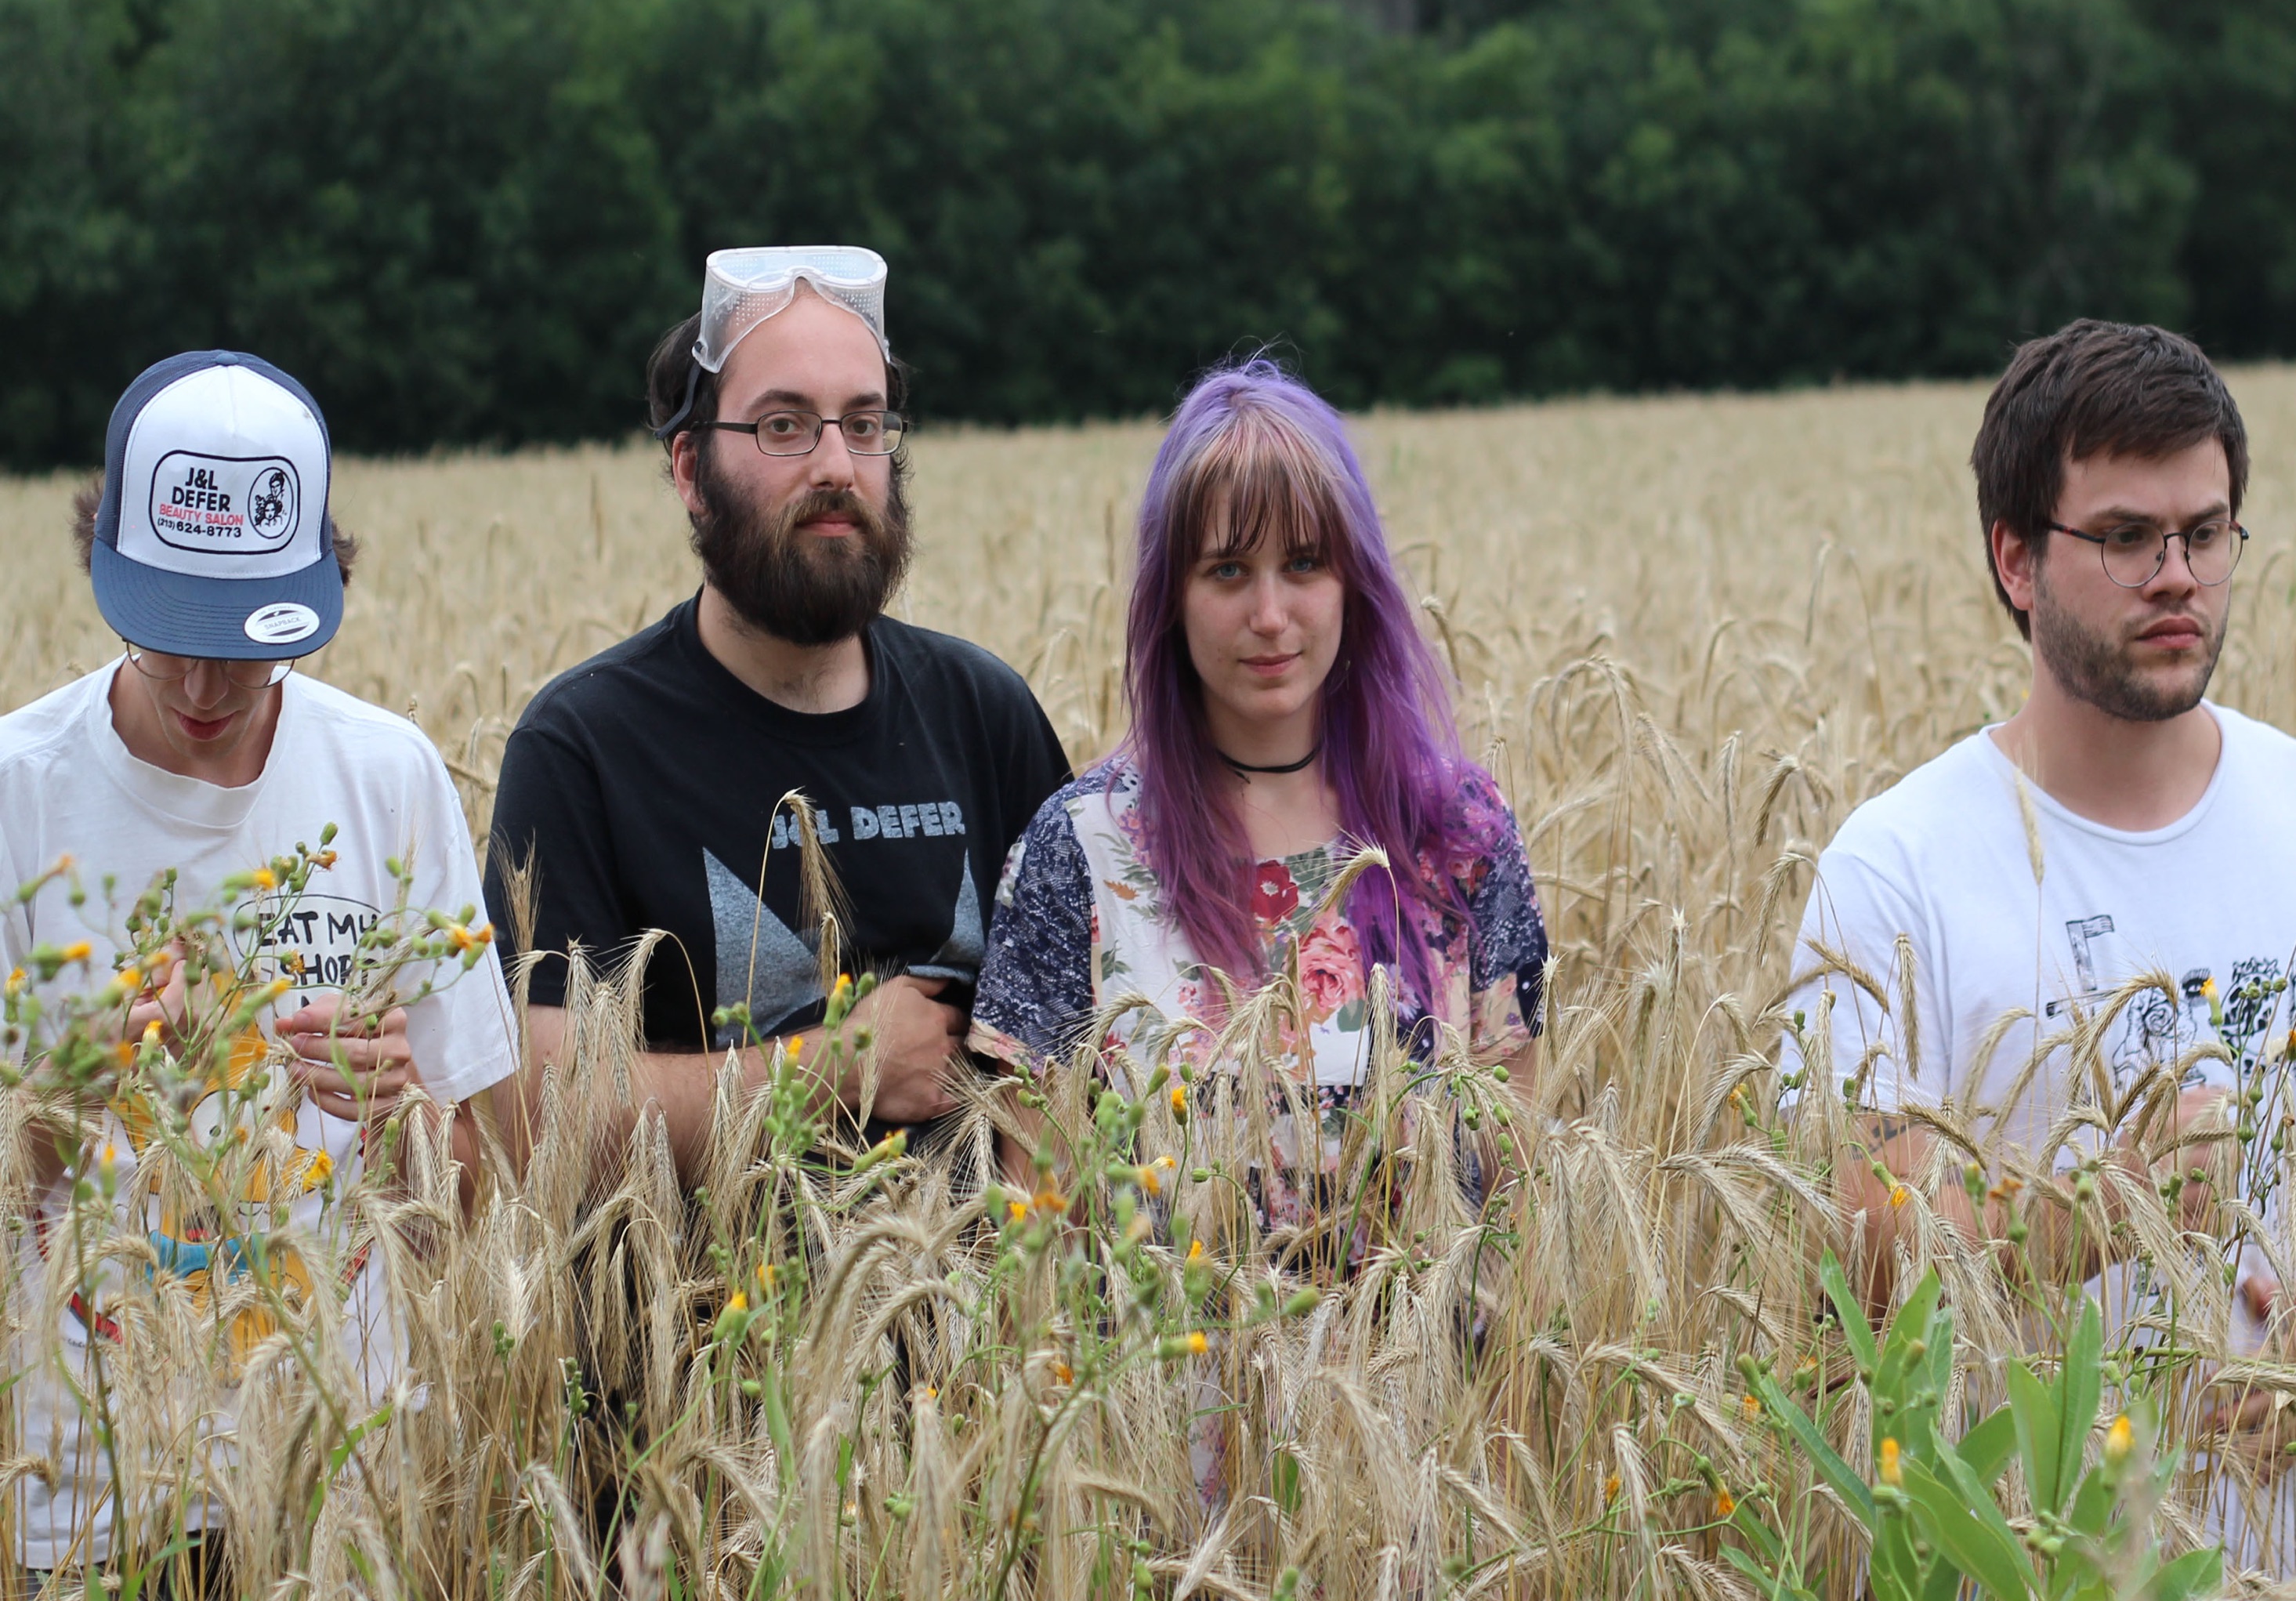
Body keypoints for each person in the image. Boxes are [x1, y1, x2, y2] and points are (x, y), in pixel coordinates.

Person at [1794, 317, 2296, 1541]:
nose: (2178, 575)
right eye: (2125, 537)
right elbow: (1858, 1259)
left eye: (2206, 534)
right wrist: (2107, 1203)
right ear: (2015, 558)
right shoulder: (1895, 875)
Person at [0, 350, 518, 1585]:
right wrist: (76, 1086)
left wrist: (400, 1111)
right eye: (169, 632)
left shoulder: (385, 781)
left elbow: (488, 1187)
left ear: (322, 584)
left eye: (242, 641)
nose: (202, 684)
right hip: (81, 1517)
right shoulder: (19, 795)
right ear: (103, 571)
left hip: (341, 1511)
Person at [487, 247, 1070, 1177]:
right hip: (705, 1319)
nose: (838, 464)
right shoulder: (585, 748)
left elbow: (1078, 1065)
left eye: (865, 423)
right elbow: (532, 1116)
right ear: (690, 467)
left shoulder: (986, 714)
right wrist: (828, 1070)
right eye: (785, 426)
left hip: (988, 1314)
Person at [969, 360, 1546, 1168]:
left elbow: (1515, 1203)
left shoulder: (1460, 837)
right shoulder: (1080, 851)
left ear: (1355, 583)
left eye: (1305, 564)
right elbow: (1034, 1216)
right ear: (1172, 595)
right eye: (1228, 570)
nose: (1270, 616)